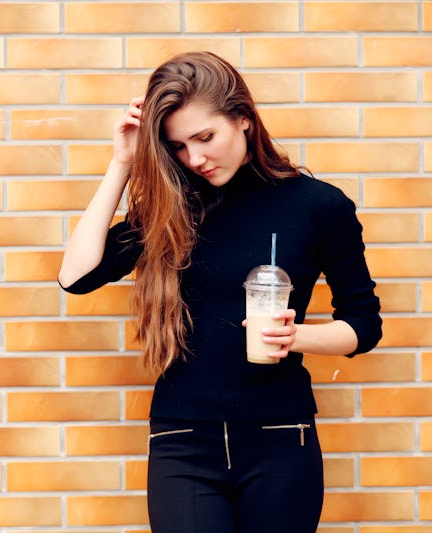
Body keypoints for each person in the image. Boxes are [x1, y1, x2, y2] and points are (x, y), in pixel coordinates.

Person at [58, 51, 382, 533]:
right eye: (178, 146)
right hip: (183, 438)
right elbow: (76, 276)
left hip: (279, 436)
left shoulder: (320, 206)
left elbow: (363, 326)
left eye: (205, 137)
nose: (195, 158)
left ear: (244, 119)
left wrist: (295, 339)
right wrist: (122, 163)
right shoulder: (173, 207)